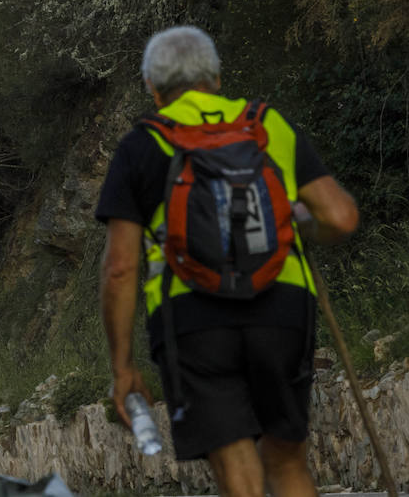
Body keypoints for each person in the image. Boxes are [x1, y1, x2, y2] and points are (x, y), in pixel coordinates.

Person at [97, 25, 359, 497]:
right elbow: (339, 217)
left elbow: (119, 268)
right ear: (216, 77)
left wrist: (123, 368)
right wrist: (299, 224)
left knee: (236, 462)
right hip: (282, 305)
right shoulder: (265, 124)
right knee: (286, 460)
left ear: (153, 90)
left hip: (192, 318)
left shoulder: (142, 144)